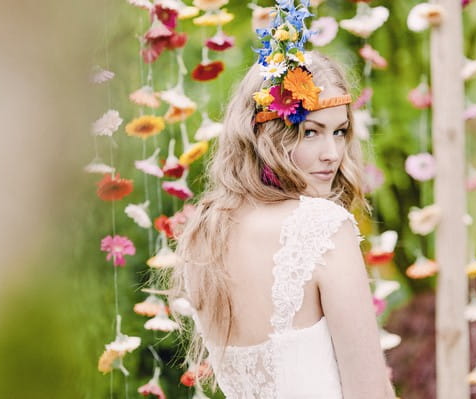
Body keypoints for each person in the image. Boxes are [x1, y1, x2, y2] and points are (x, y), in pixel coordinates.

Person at [169, 2, 397, 398]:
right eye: (310, 132)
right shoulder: (323, 228)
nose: (332, 152)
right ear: (269, 134)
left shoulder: (204, 232)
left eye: (340, 132)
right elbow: (370, 392)